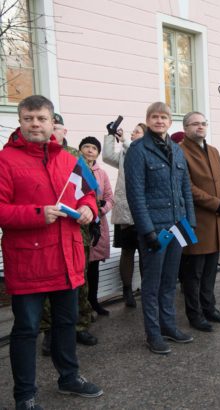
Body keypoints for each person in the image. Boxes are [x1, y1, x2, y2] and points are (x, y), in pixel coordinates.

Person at [0, 95, 103, 409]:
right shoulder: (5, 160)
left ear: (52, 123)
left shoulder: (69, 159)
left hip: (66, 258)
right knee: (27, 330)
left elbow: (88, 193)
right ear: (20, 121)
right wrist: (35, 214)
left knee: (66, 323)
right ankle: (25, 395)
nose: (35, 124)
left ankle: (69, 377)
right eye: (29, 118)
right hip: (29, 261)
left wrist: (88, 209)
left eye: (41, 119)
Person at [125, 101, 196, 354]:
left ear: (169, 121)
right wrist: (148, 231)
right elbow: (136, 195)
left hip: (177, 226)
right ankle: (153, 334)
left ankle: (169, 326)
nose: (159, 121)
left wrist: (189, 222)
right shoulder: (138, 150)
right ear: (148, 120)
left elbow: (185, 188)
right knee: (152, 284)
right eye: (154, 117)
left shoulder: (176, 151)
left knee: (169, 282)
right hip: (155, 229)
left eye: (163, 117)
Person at [42, 113, 98, 355]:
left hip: (77, 231)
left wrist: (90, 210)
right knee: (47, 286)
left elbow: (90, 189)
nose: (54, 131)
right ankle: (49, 332)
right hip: (45, 231)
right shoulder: (37, 155)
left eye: (58, 127)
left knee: (79, 281)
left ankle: (80, 325)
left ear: (65, 131)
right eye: (51, 126)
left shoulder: (75, 156)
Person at [178, 111, 220, 332]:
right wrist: (215, 202)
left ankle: (209, 308)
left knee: (211, 270)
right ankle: (195, 314)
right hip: (198, 220)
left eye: (203, 123)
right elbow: (188, 187)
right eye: (195, 124)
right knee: (194, 273)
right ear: (186, 128)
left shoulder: (212, 150)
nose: (200, 127)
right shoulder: (180, 151)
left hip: (216, 219)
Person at [103, 122, 146, 307]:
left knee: (146, 253)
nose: (132, 133)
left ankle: (147, 289)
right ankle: (127, 291)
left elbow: (136, 151)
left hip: (143, 211)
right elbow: (106, 156)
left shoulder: (144, 151)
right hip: (125, 211)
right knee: (127, 252)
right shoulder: (125, 152)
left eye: (136, 131)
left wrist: (126, 140)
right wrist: (111, 136)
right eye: (132, 131)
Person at [77, 136, 114, 316]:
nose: (90, 150)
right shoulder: (75, 168)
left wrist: (101, 210)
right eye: (86, 146)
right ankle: (81, 308)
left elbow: (109, 197)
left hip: (97, 223)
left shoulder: (102, 173)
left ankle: (93, 301)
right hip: (79, 221)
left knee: (94, 267)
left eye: (94, 148)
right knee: (80, 267)